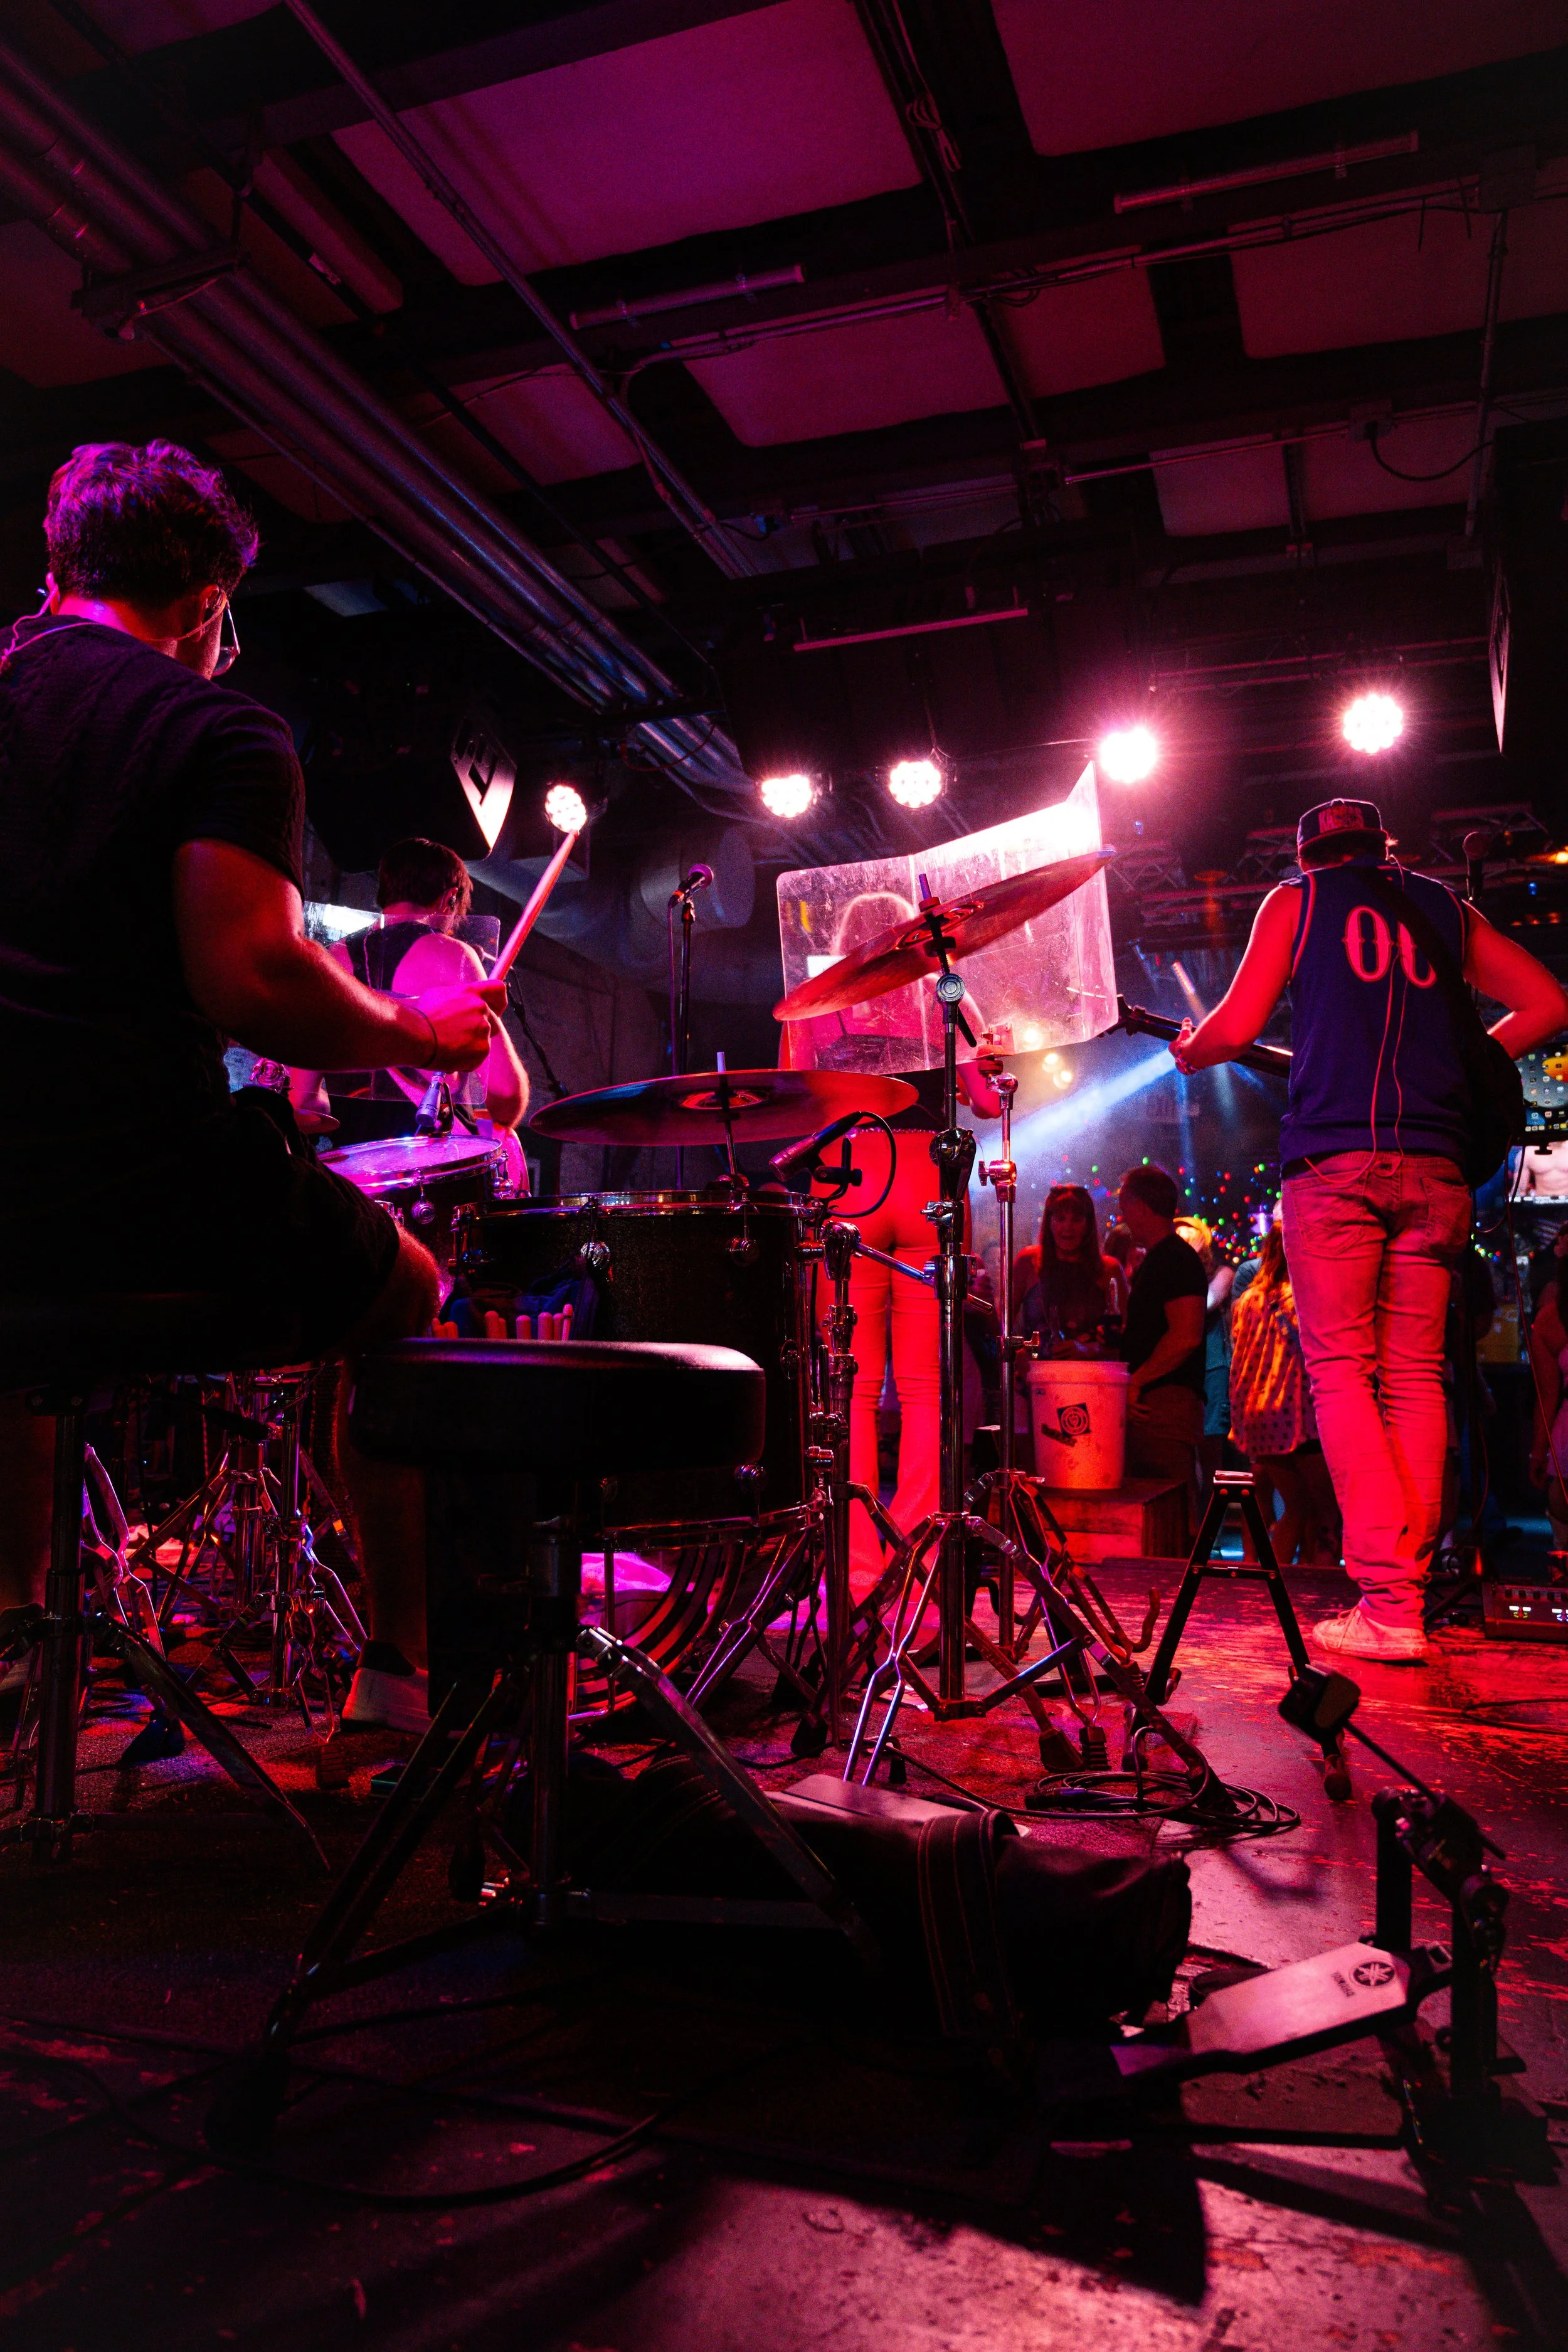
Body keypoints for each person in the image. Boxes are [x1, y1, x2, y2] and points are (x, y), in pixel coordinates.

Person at [0, 441, 504, 1732]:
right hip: (130, 1174)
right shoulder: (213, 725)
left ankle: (16, 1632)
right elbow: (253, 981)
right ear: (208, 605)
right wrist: (419, 1035)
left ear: (57, 574)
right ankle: (401, 1678)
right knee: (408, 1289)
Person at [1172, 793, 1568, 1660]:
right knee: (1415, 1378)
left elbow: (1236, 1028)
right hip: (1436, 1165)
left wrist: (1194, 1049)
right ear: (1382, 847)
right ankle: (1405, 1603)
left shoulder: (1296, 900)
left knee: (1342, 1373)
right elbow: (1547, 1001)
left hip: (1335, 1162)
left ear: (1308, 857)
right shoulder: (1442, 907)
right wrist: (1466, 1059)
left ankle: (1388, 1605)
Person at [289, 837, 526, 1153]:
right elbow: (506, 1096)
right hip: (436, 1163)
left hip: (352, 1165)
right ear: (450, 899)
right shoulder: (454, 956)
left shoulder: (331, 959)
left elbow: (302, 1101)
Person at [1227, 1224, 1338, 1564]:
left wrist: (1240, 1422)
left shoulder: (1248, 1300)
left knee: (1298, 1506)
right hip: (1300, 1416)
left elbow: (1240, 1361)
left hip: (1261, 1417)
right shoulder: (1306, 1298)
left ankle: (1276, 1585)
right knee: (1328, 1516)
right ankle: (1314, 1585)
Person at [1117, 1164, 1208, 1496]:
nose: (1122, 1216)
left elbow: (1186, 1336)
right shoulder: (1161, 1258)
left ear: (1141, 1207)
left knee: (1170, 1503)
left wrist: (1137, 1381)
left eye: (1124, 1206)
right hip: (1155, 1403)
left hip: (1164, 1404)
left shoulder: (1175, 1258)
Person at [1019, 1185, 1124, 1347]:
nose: (1068, 1227)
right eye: (1061, 1219)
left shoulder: (1109, 1269)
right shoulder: (1028, 1262)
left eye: (1076, 1220)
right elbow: (1003, 1328)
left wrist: (1090, 1351)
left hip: (1092, 1364)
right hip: (1038, 1363)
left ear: (1088, 1225)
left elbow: (1127, 1336)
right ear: (1049, 1223)